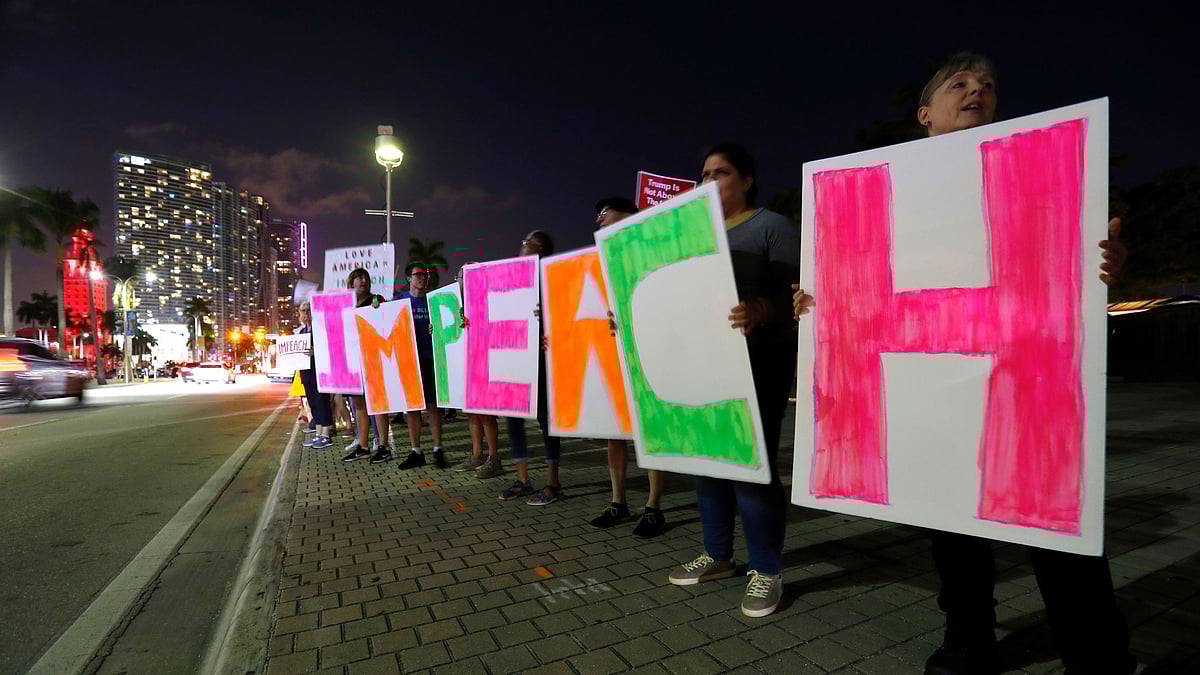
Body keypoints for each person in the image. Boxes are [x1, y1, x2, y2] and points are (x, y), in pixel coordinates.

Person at [793, 53, 1132, 675]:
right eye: (960, 84)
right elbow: (852, 292)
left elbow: (1067, 270)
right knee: (949, 521)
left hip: (1025, 382)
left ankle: (1098, 652)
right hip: (933, 383)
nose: (977, 91)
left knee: (1055, 526)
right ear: (925, 113)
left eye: (989, 86)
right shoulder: (885, 185)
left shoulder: (1037, 169)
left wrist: (1102, 262)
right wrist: (813, 302)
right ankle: (968, 636)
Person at [665, 144, 800, 619]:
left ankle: (767, 569)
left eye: (720, 173)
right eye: (703, 175)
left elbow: (800, 296)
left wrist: (762, 310)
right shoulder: (688, 238)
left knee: (750, 466)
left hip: (758, 366)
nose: (708, 182)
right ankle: (719, 555)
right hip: (701, 365)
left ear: (746, 180)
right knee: (707, 463)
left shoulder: (773, 228)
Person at [586, 197, 666, 537]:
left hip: (647, 354)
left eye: (614, 222)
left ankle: (654, 506)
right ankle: (618, 501)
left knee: (649, 432)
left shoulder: (651, 256)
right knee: (614, 433)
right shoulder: (595, 264)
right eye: (603, 224)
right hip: (610, 357)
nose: (607, 228)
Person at [498, 230, 564, 505]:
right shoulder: (510, 280)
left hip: (543, 361)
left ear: (543, 251)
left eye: (532, 244)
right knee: (513, 419)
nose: (525, 247)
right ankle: (523, 479)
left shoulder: (554, 279)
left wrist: (548, 315)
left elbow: (565, 315)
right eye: (524, 242)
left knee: (547, 421)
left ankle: (553, 482)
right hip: (517, 357)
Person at [391, 261, 448, 469]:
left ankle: (438, 449)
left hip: (431, 360)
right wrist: (378, 306)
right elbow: (384, 320)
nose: (422, 278)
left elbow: (448, 326)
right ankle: (416, 451)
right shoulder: (399, 301)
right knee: (412, 408)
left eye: (424, 275)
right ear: (409, 278)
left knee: (433, 407)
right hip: (409, 362)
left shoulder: (434, 301)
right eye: (417, 275)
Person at [451, 263, 504, 479]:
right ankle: (477, 454)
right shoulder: (454, 302)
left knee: (485, 412)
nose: (466, 280)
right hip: (465, 363)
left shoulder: (488, 298)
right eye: (463, 276)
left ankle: (494, 458)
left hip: (484, 361)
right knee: (471, 411)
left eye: (471, 275)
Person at [340, 268, 395, 464]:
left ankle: (383, 446)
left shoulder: (376, 300)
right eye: (358, 277)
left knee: (378, 404)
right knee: (359, 405)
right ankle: (362, 446)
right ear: (351, 283)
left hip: (374, 360)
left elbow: (386, 321)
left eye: (365, 278)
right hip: (354, 363)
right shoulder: (345, 306)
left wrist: (379, 306)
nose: (363, 280)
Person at [295, 301, 334, 449]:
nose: (306, 313)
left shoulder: (320, 329)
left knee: (322, 401)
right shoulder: (301, 332)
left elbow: (328, 347)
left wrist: (315, 351)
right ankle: (318, 433)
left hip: (319, 371)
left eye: (308, 310)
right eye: (303, 311)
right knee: (313, 402)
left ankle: (326, 434)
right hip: (306, 373)